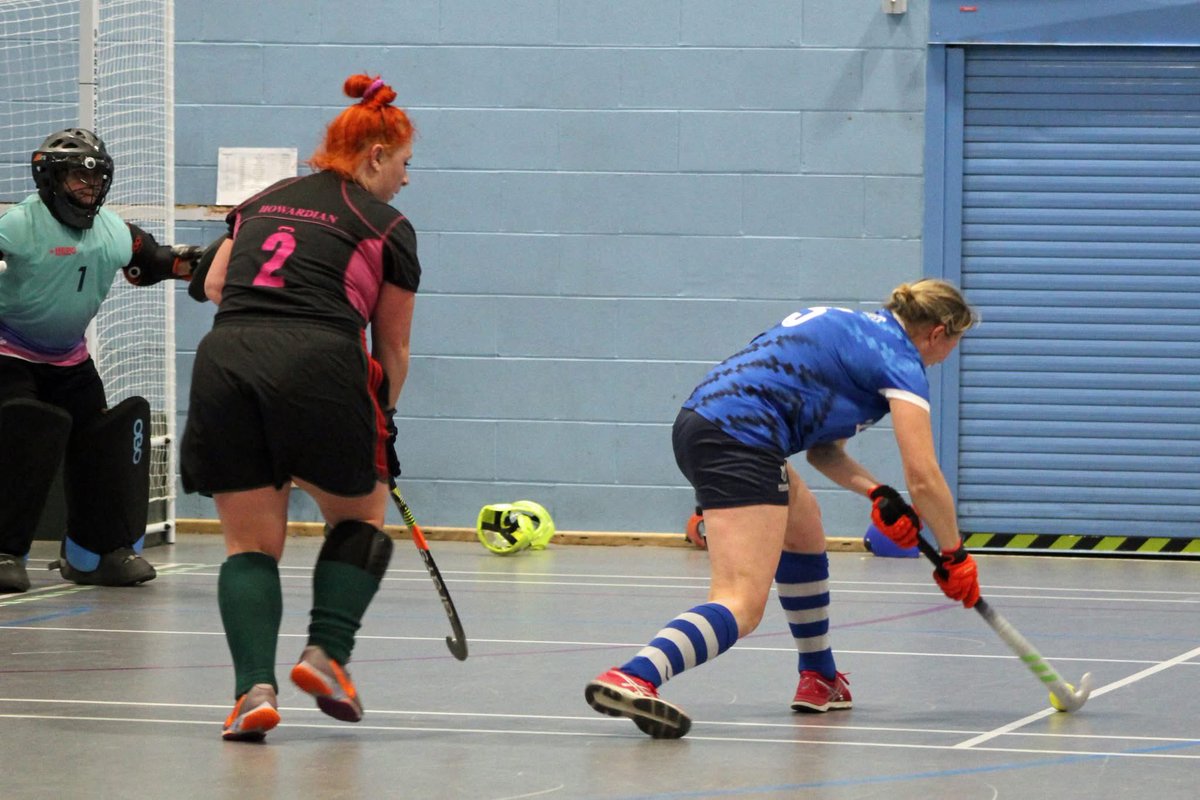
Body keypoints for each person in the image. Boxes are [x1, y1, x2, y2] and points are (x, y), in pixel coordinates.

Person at [584, 279, 982, 738]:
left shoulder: (851, 328)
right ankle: (636, 674)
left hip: (703, 423)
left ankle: (820, 675)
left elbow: (823, 453)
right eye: (955, 341)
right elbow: (924, 477)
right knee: (740, 603)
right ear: (937, 333)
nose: (949, 354)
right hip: (742, 441)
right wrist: (953, 554)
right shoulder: (900, 361)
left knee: (805, 524)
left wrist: (876, 493)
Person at [180, 73, 420, 742]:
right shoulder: (387, 224)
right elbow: (392, 347)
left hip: (227, 359)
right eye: (404, 164)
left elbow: (217, 283)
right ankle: (327, 655)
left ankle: (251, 692)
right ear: (375, 156)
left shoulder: (266, 199)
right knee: (361, 518)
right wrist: (386, 419)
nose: (406, 180)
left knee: (248, 544)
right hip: (320, 360)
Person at [0, 127, 202, 593]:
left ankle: (96, 553)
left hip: (69, 359)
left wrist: (210, 258)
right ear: (50, 179)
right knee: (22, 434)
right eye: (77, 179)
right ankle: (6, 549)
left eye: (95, 180)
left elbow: (155, 262)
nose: (88, 189)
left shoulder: (114, 231)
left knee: (101, 443)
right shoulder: (18, 225)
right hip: (10, 352)